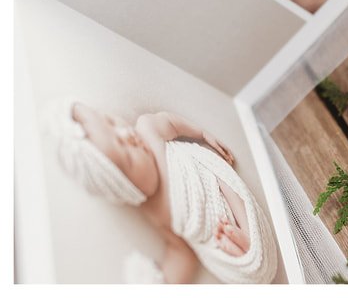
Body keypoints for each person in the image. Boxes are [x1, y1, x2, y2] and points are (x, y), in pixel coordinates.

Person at [50, 99, 276, 284]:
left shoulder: (147, 131)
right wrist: (162, 283)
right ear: (127, 190)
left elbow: (172, 124)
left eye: (111, 121)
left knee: (225, 186)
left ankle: (247, 237)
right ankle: (240, 251)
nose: (127, 134)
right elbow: (182, 252)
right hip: (211, 232)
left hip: (214, 185)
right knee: (233, 264)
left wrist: (202, 134)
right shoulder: (152, 210)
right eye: (127, 158)